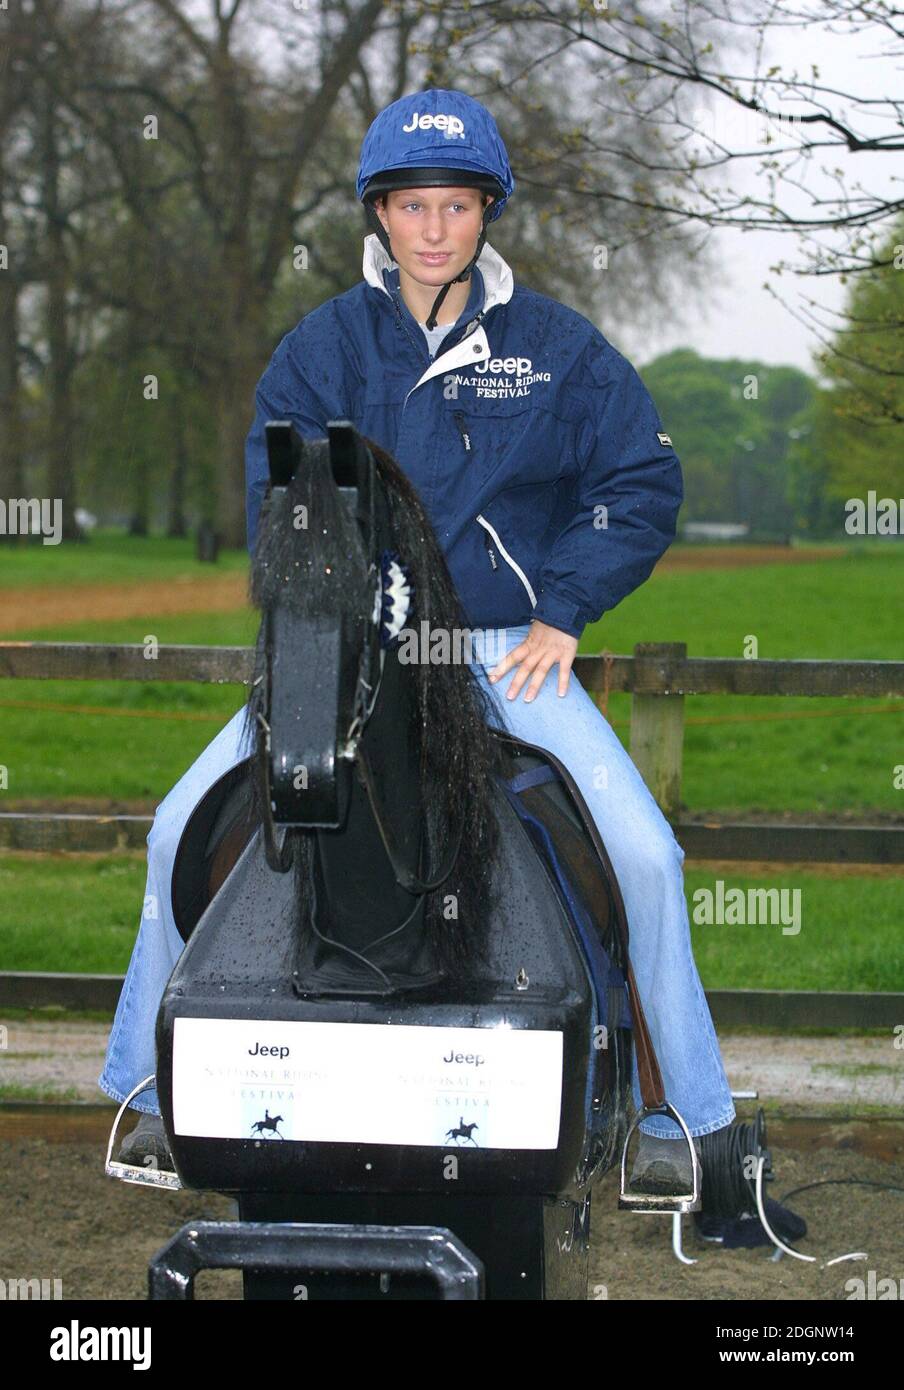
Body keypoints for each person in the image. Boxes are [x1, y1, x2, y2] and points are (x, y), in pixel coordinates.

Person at [100, 87, 736, 1195]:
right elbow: (280, 495)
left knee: (645, 854)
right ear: (379, 213)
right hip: (349, 654)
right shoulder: (321, 348)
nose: (434, 229)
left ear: (486, 212)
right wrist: (334, 623)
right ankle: (145, 1096)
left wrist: (564, 607)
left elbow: (640, 480)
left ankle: (681, 1116)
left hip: (504, 655)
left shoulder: (556, 352)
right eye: (411, 206)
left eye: (456, 205)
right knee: (170, 831)